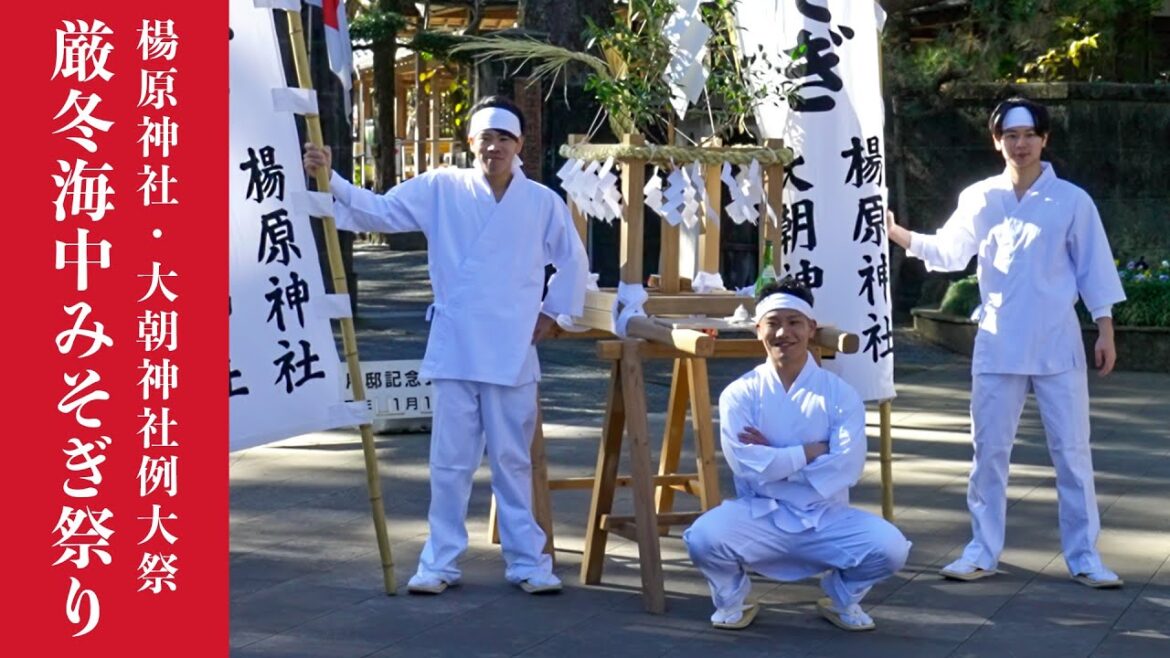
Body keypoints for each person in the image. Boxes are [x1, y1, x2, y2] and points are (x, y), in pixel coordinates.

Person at [304, 96, 590, 595]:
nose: (494, 146)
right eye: (485, 137)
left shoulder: (541, 200)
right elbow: (380, 212)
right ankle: (440, 560)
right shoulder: (441, 186)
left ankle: (528, 561)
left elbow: (572, 262)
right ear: (470, 143)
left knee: (512, 460)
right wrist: (333, 178)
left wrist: (552, 313)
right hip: (458, 341)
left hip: (511, 348)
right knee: (450, 461)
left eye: (504, 138)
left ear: (519, 145)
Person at [887, 97, 1126, 588]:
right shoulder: (982, 197)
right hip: (997, 342)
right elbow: (949, 250)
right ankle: (981, 549)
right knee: (989, 452)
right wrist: (897, 233)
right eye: (1010, 136)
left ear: (1045, 139)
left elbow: (1094, 269)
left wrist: (1104, 329)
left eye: (1029, 135)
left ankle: (1084, 555)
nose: (1021, 145)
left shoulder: (1073, 201)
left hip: (1057, 343)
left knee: (1072, 453)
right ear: (997, 141)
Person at [683, 277, 910, 632]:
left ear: (810, 328)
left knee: (892, 548)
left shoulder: (839, 394)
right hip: (760, 516)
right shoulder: (739, 393)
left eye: (794, 322)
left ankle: (841, 596)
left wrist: (774, 457)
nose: (783, 333)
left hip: (825, 516)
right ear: (758, 330)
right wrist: (811, 451)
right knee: (703, 539)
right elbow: (744, 463)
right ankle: (734, 599)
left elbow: (846, 466)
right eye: (773, 323)